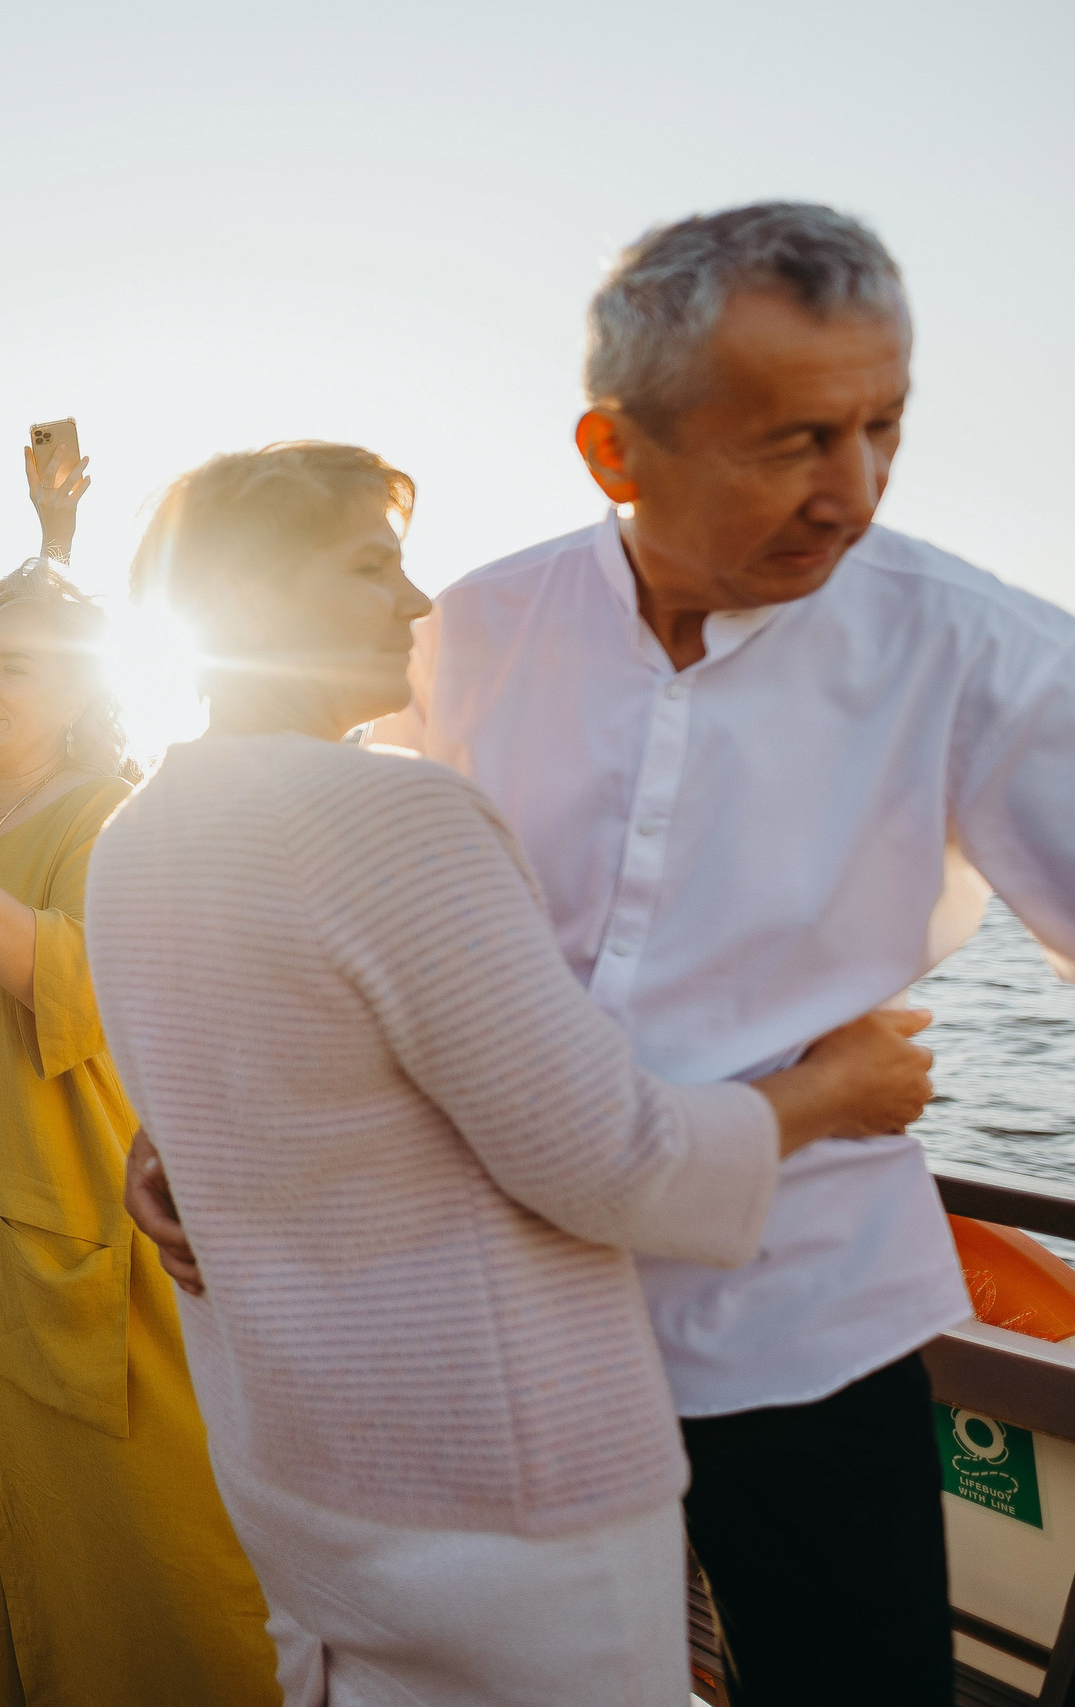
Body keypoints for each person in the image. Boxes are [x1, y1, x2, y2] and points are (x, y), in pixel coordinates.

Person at [347, 202, 1075, 1704]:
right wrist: (219, 1122)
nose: (853, 492)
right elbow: (354, 898)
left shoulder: (981, 649)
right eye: (792, 441)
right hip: (507, 1320)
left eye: (884, 428)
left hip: (801, 1327)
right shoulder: (471, 629)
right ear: (616, 452)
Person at [90, 441, 940, 1706]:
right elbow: (614, 1161)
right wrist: (844, 1090)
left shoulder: (130, 838)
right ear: (255, 602)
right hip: (502, 1487)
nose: (415, 605)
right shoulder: (395, 803)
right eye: (372, 568)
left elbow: (273, 1069)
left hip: (307, 1479)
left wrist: (177, 1149)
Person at [0, 534, 280, 1699]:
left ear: (83, 688)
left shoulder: (110, 820)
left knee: (129, 1564)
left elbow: (82, 979)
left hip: (55, 1254)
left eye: (16, 666)